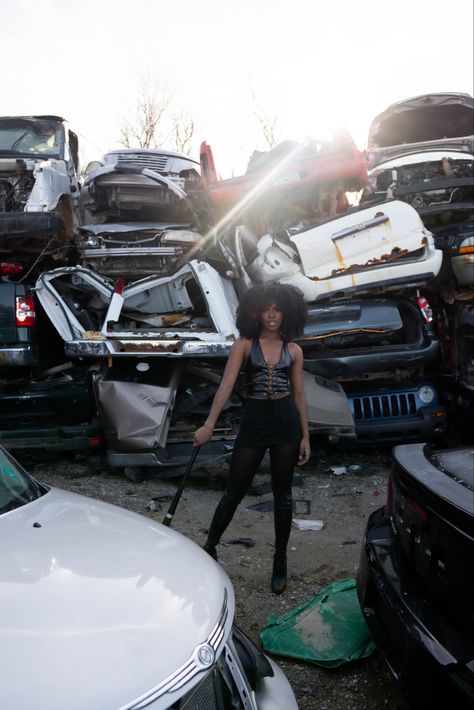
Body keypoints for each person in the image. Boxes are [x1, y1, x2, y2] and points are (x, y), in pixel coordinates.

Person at [193, 283, 310, 594]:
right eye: (265, 309)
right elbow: (226, 386)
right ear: (255, 312)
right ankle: (210, 547)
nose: (271, 315)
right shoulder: (245, 344)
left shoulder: (294, 350)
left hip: (286, 424)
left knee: (283, 495)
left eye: (277, 309)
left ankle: (280, 560)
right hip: (255, 423)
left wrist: (305, 436)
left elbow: (299, 394)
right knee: (234, 490)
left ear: (287, 313)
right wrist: (208, 424)